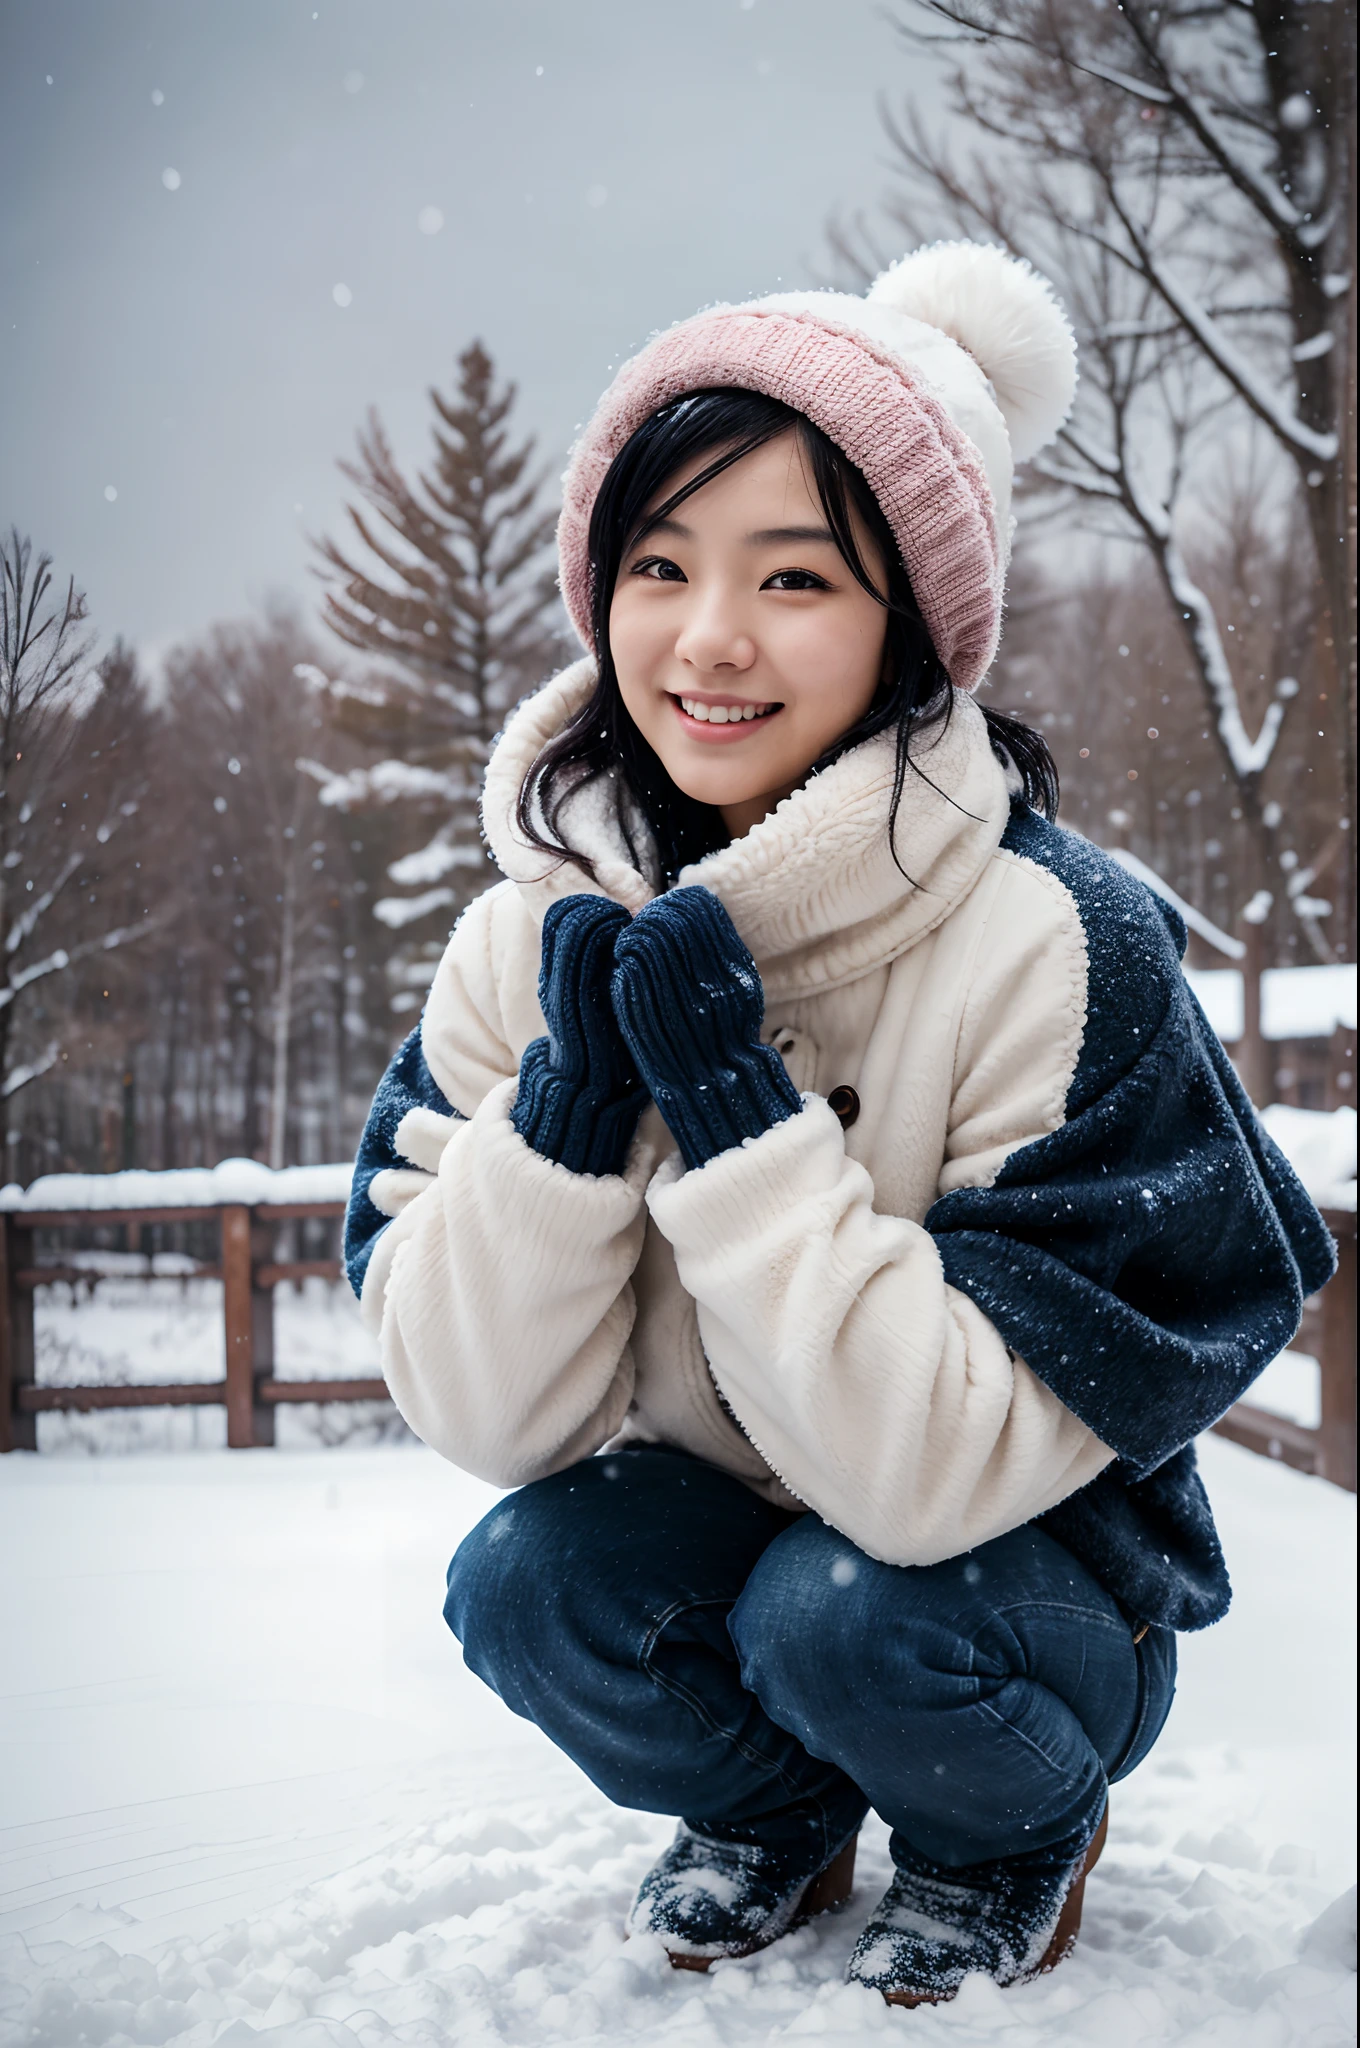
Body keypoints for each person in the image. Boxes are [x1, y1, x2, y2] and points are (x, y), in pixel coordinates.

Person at [343, 243, 1333, 2007]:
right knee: (527, 1582)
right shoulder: (528, 934)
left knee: (844, 1606)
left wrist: (736, 1120)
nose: (708, 638)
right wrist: (571, 1115)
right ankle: (775, 1809)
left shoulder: (1053, 935)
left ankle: (1005, 1830)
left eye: (793, 576)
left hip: (1006, 1604)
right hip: (721, 1542)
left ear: (906, 625)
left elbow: (922, 1478)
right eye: (659, 566)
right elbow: (488, 1415)